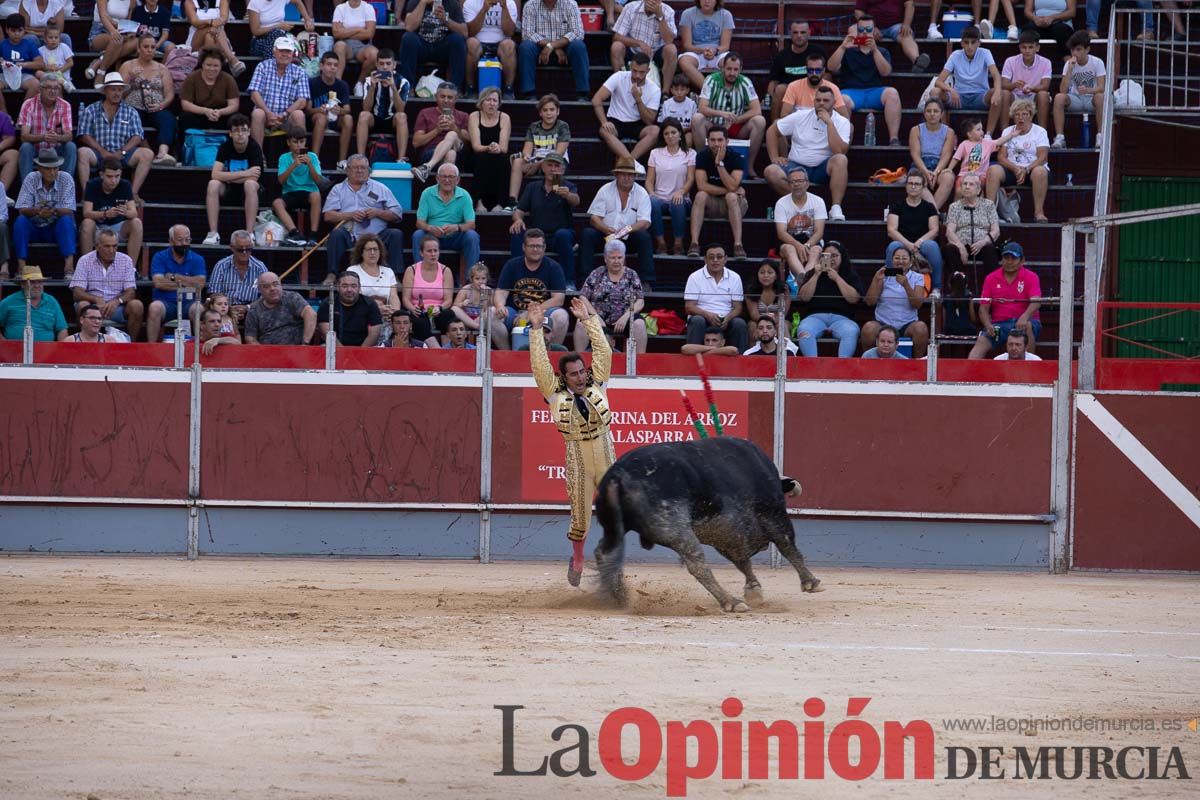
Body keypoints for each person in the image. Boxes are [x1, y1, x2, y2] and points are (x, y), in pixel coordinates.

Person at [527, 294, 614, 586]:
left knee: (617, 507)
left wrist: (588, 321)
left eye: (581, 372)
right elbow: (540, 366)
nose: (579, 377)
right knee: (579, 515)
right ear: (563, 377)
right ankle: (578, 558)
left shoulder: (597, 381)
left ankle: (610, 558)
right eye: (573, 374)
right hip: (576, 454)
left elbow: (603, 352)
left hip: (604, 450)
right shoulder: (555, 394)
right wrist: (536, 330)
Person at [764, 86, 851, 220]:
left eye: (826, 100)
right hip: (796, 166)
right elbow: (772, 131)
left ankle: (835, 208)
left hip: (822, 168)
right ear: (814, 101)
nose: (821, 103)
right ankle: (803, 205)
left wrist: (829, 124)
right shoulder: (800, 116)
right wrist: (774, 157)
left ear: (834, 103)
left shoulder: (842, 122)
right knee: (771, 171)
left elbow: (839, 151)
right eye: (818, 100)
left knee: (841, 159)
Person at [322, 154, 404, 280]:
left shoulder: (380, 188)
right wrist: (350, 215)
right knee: (336, 234)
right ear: (347, 170)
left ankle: (395, 277)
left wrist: (378, 212)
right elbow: (328, 215)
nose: (359, 171)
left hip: (377, 236)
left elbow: (398, 213)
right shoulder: (338, 189)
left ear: (368, 170)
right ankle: (332, 274)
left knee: (395, 234)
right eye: (355, 167)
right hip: (349, 236)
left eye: (363, 168)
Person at [827, 15, 903, 146]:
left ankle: (894, 139)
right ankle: (843, 139)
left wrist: (874, 50)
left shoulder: (882, 51)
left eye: (868, 29)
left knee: (892, 93)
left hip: (874, 92)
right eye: (861, 29)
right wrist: (843, 47)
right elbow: (831, 67)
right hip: (851, 93)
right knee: (842, 99)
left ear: (874, 31)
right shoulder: (847, 50)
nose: (864, 32)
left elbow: (885, 72)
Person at [579, 156, 654, 288]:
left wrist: (627, 230)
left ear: (635, 176)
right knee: (587, 234)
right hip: (606, 236)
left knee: (644, 237)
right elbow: (594, 218)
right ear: (616, 175)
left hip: (629, 237)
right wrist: (605, 228)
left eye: (630, 175)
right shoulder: (605, 189)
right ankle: (586, 278)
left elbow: (645, 222)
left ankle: (645, 280)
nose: (627, 177)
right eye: (623, 174)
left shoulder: (642, 193)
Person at [76, 73, 153, 198]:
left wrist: (121, 152)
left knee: (147, 154)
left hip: (123, 155)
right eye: (113, 89)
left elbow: (137, 136)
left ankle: (132, 194)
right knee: (83, 152)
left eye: (120, 89)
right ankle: (87, 194)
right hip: (98, 154)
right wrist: (102, 152)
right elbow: (83, 134)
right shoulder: (91, 109)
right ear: (105, 91)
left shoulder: (130, 111)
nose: (117, 93)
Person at [491, 227, 568, 349]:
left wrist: (530, 313)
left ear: (544, 248)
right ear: (524, 247)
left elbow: (558, 299)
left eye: (538, 246)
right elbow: (501, 292)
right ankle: (507, 354)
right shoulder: (512, 265)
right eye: (531, 246)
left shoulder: (554, 267)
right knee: (491, 313)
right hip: (514, 313)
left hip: (543, 313)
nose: (535, 249)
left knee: (561, 316)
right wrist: (500, 306)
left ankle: (552, 355)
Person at [691, 53, 765, 178]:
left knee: (760, 121)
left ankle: (748, 166)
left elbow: (757, 109)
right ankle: (702, 162)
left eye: (736, 69)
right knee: (697, 118)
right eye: (729, 69)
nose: (732, 73)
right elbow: (702, 108)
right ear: (722, 68)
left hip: (736, 127)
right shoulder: (711, 80)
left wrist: (735, 120)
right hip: (713, 126)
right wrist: (722, 114)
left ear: (740, 70)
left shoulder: (745, 82)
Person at [509, 152, 578, 279]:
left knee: (563, 235)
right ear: (543, 168)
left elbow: (576, 201)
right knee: (517, 231)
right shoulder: (533, 187)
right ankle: (517, 277)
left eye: (556, 166)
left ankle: (568, 281)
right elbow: (519, 211)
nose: (553, 169)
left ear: (562, 169)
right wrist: (518, 219)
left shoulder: (568, 186)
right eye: (549, 165)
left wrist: (567, 195)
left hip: (559, 235)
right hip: (537, 235)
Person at [969, 241, 1042, 359]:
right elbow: (983, 308)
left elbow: (1036, 302)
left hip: (1024, 322)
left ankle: (1028, 372)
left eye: (1013, 258)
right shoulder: (991, 278)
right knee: (982, 340)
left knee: (1027, 326)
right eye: (1006, 258)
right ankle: (969, 376)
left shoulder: (1031, 277)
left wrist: (1024, 317)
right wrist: (987, 325)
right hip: (1000, 324)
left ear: (1022, 261)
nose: (1009, 262)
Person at [577, 238, 647, 354]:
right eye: (612, 258)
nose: (616, 261)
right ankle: (580, 361)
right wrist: (596, 317)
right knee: (581, 323)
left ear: (624, 258)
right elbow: (583, 297)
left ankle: (639, 365)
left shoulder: (631, 274)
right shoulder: (597, 273)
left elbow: (640, 301)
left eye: (619, 258)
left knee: (639, 324)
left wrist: (625, 317)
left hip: (624, 319)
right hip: (599, 318)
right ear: (605, 259)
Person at [70, 228, 143, 339]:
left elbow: (131, 292)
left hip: (116, 308)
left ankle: (130, 346)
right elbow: (77, 292)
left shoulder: (126, 260)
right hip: (92, 306)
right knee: (82, 305)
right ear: (97, 246)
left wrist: (117, 301)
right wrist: (95, 299)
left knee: (137, 306)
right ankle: (84, 344)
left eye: (114, 246)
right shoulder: (85, 260)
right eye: (107, 246)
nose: (111, 250)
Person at [795, 241, 863, 358]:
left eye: (835, 256)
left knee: (851, 331)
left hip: (842, 318)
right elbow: (804, 297)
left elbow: (854, 299)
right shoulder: (813, 273)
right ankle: (812, 366)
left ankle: (842, 368)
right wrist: (816, 275)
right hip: (815, 317)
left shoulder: (849, 274)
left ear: (842, 257)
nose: (831, 259)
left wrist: (837, 278)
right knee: (804, 329)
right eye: (826, 256)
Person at [204, 115, 264, 246]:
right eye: (236, 130)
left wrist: (229, 177)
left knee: (250, 184)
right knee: (213, 184)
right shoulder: (225, 147)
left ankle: (249, 233)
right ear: (230, 133)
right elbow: (215, 174)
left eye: (244, 130)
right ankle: (213, 234)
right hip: (229, 189)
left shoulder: (254, 147)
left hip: (249, 192)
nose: (240, 134)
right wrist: (244, 173)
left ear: (249, 132)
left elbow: (254, 176)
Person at [117, 33, 176, 166]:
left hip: (156, 107)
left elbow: (170, 94)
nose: (150, 50)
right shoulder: (128, 66)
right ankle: (147, 150)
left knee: (168, 118)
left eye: (153, 47)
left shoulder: (162, 68)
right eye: (146, 47)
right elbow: (118, 93)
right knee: (133, 118)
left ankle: (162, 153)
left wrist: (161, 105)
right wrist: (131, 79)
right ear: (138, 48)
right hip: (133, 107)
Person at [593, 50, 661, 166]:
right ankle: (631, 163)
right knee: (604, 130)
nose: (637, 76)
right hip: (616, 120)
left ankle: (627, 163)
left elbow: (649, 120)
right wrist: (604, 122)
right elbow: (596, 100)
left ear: (648, 71)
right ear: (630, 67)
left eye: (641, 72)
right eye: (634, 71)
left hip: (637, 123)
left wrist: (638, 99)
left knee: (655, 131)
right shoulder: (619, 76)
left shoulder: (654, 89)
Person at [13, 147, 74, 275]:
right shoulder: (31, 178)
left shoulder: (66, 178)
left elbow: (69, 210)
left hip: (55, 228)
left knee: (66, 221)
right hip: (34, 227)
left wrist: (53, 211)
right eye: (48, 168)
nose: (52, 172)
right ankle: (22, 267)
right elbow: (22, 209)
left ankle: (69, 267)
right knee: (20, 221)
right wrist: (37, 211)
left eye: (55, 168)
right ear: (39, 168)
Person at [689, 126, 747, 259]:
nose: (716, 144)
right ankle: (694, 243)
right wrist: (730, 190)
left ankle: (738, 244)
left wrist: (719, 164)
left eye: (720, 140)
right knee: (700, 195)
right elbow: (702, 185)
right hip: (712, 203)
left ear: (727, 141)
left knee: (731, 197)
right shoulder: (702, 156)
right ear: (708, 141)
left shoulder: (736, 157)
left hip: (734, 205)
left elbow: (733, 185)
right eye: (712, 140)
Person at [412, 163, 481, 275]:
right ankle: (420, 275)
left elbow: (471, 224)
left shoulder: (464, 195)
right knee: (418, 235)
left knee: (472, 236)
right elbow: (419, 223)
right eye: (443, 176)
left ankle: (472, 278)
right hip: (433, 236)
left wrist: (457, 227)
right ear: (437, 178)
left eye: (451, 177)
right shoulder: (427, 193)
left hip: (456, 237)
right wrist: (430, 228)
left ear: (457, 180)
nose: (447, 180)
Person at [933, 26, 1002, 136]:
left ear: (979, 43)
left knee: (999, 93)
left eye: (973, 42)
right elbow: (939, 81)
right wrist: (951, 90)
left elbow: (996, 75)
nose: (969, 46)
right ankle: (945, 134)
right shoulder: (955, 55)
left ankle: (988, 135)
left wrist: (997, 92)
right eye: (966, 42)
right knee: (935, 92)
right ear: (962, 43)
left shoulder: (985, 53)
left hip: (980, 97)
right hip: (959, 98)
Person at [505, 93, 569, 209]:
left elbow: (558, 153)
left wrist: (540, 164)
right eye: (545, 110)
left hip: (556, 162)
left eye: (552, 109)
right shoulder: (533, 127)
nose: (549, 113)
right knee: (518, 162)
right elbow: (527, 150)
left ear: (557, 111)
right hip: (536, 162)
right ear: (540, 113)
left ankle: (555, 200)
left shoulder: (562, 126)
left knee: (554, 167)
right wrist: (526, 157)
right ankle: (512, 201)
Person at [861, 247, 928, 358]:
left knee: (921, 328)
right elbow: (870, 301)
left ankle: (917, 364)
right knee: (868, 328)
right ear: (892, 261)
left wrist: (906, 285)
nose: (900, 261)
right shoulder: (883, 275)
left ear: (910, 262)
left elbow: (917, 304)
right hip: (883, 323)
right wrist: (876, 279)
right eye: (897, 258)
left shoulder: (918, 277)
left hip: (907, 324)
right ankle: (869, 363)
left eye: (904, 258)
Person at [991, 99, 1050, 222]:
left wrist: (1026, 169)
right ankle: (989, 212)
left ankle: (1039, 212)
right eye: (1017, 114)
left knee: (1040, 171)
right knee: (993, 170)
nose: (1020, 117)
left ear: (1031, 116)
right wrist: (1016, 168)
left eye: (1024, 114)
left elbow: (1043, 157)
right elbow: (1001, 157)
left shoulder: (1040, 132)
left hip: (1032, 169)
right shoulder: (1008, 131)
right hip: (1012, 168)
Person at [517, 0, 590, 101]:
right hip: (540, 46)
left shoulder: (570, 3)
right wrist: (550, 46)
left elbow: (577, 32)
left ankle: (583, 93)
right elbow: (528, 34)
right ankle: (528, 93)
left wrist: (552, 46)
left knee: (578, 46)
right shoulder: (530, 5)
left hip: (565, 46)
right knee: (525, 47)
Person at [146, 224, 207, 342]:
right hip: (165, 303)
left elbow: (200, 284)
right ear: (171, 241)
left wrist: (174, 277)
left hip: (189, 303)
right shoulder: (159, 257)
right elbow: (159, 283)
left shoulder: (197, 259)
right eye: (180, 240)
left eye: (187, 239)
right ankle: (151, 347)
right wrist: (188, 282)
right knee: (154, 307)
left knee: (198, 308)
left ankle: (199, 348)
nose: (184, 243)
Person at [683, 242, 747, 352]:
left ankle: (740, 362)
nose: (715, 260)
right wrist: (707, 315)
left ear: (725, 259)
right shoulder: (694, 277)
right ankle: (692, 362)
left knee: (739, 324)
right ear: (705, 259)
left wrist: (728, 318)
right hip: (702, 318)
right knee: (697, 321)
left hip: (726, 320)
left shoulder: (735, 277)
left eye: (719, 257)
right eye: (711, 257)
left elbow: (738, 307)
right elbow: (689, 307)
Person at [248, 36, 309, 147]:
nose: (285, 54)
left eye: (288, 51)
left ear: (293, 53)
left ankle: (300, 157)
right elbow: (254, 93)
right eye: (281, 51)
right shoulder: (263, 67)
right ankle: (257, 159)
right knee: (258, 113)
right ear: (274, 52)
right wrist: (268, 112)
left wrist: (285, 114)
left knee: (299, 115)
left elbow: (302, 100)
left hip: (287, 118)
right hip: (265, 116)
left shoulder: (300, 72)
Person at [645, 118, 695, 255]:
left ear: (680, 134)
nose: (670, 136)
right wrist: (651, 193)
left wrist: (682, 191)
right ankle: (661, 244)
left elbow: (691, 178)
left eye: (673, 132)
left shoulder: (689, 153)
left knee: (677, 201)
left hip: (680, 199)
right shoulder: (655, 153)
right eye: (666, 133)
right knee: (652, 201)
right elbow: (649, 180)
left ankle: (678, 244)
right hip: (660, 198)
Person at [886, 171, 942, 289]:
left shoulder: (929, 207)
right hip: (902, 242)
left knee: (932, 246)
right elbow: (891, 230)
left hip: (923, 243)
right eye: (910, 183)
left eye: (917, 184)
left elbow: (934, 230)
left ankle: (936, 288)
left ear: (922, 187)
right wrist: (908, 244)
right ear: (906, 186)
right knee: (893, 246)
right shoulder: (897, 206)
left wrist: (919, 242)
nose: (913, 186)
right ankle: (890, 284)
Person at [270, 125, 324, 247]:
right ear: (289, 142)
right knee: (277, 203)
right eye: (295, 142)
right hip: (290, 192)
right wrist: (293, 165)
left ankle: (313, 234)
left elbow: (318, 181)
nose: (299, 145)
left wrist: (309, 164)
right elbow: (281, 180)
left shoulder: (313, 157)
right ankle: (295, 233)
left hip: (309, 192)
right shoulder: (284, 158)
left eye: (302, 142)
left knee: (316, 195)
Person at [80, 156, 141, 263]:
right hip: (98, 227)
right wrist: (105, 214)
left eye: (117, 176)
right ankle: (87, 267)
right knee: (87, 223)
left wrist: (125, 212)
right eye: (109, 176)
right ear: (101, 175)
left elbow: (134, 213)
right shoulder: (92, 185)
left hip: (117, 227)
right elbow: (86, 213)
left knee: (136, 223)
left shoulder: (125, 185)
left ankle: (131, 269)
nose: (114, 180)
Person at [398, 0, 468, 92]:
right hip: (421, 46)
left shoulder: (452, 3)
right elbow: (409, 27)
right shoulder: (415, 1)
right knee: (408, 38)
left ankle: (454, 89)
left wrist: (446, 19)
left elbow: (464, 32)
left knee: (457, 40)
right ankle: (407, 88)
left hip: (442, 46)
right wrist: (423, 3)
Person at [355, 48, 410, 165]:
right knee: (363, 115)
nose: (385, 67)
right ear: (376, 65)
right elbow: (366, 108)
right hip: (375, 118)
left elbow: (401, 109)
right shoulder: (369, 81)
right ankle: (361, 157)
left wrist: (393, 88)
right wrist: (373, 87)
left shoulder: (403, 82)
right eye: (381, 64)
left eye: (388, 64)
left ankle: (401, 159)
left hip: (392, 119)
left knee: (402, 116)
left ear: (394, 65)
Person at [1052, 30, 1105, 149]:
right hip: (1075, 99)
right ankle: (1060, 137)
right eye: (1073, 50)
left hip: (1091, 99)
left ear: (1087, 50)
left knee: (1100, 97)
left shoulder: (1097, 62)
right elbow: (1062, 90)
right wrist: (1070, 70)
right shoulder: (1069, 64)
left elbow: (1102, 87)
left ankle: (1100, 135)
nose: (1075, 53)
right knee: (1058, 98)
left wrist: (1088, 90)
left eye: (1079, 49)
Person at [610, 0, 679, 91]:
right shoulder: (630, 8)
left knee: (671, 49)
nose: (653, 1)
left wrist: (660, 17)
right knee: (616, 46)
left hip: (656, 52)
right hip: (633, 50)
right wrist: (639, 43)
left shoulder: (668, 11)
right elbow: (617, 37)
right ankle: (620, 87)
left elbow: (669, 40)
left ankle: (665, 92)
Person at [943, 173, 1000, 281]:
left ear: (978, 190)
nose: (967, 186)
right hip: (961, 246)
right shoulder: (955, 206)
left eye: (971, 184)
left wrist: (983, 242)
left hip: (982, 245)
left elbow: (995, 230)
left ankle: (992, 287)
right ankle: (959, 285)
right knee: (949, 249)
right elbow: (949, 231)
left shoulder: (988, 205)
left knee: (990, 249)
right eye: (964, 184)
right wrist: (960, 247)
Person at [17, 73, 73, 183]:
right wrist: (43, 137)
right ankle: (28, 188)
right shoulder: (28, 104)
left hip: (56, 149)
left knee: (71, 147)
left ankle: (66, 187)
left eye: (56, 88)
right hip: (36, 149)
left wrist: (57, 138)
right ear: (40, 89)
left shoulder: (65, 105)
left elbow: (69, 135)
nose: (53, 91)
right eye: (48, 88)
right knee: (25, 147)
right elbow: (24, 136)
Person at [402, 236, 457, 342]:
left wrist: (440, 308)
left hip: (438, 310)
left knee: (448, 315)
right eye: (429, 251)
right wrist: (412, 308)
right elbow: (405, 299)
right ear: (421, 253)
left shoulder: (445, 270)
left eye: (435, 251)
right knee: (418, 321)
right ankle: (434, 348)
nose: (433, 254)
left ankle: (447, 347)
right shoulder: (411, 270)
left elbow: (448, 300)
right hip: (419, 309)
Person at [410, 82, 468, 182]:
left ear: (455, 99)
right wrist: (437, 130)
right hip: (430, 152)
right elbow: (416, 142)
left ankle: (427, 167)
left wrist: (454, 127)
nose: (446, 100)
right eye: (442, 96)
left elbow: (467, 141)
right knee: (450, 154)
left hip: (459, 151)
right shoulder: (425, 113)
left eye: (450, 97)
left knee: (452, 134)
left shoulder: (463, 116)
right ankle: (450, 193)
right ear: (436, 97)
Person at [767, 18, 825, 119]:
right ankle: (776, 128)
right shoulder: (781, 56)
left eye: (802, 32)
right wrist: (771, 96)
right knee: (780, 89)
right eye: (795, 32)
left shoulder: (818, 52)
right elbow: (773, 82)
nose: (799, 36)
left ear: (809, 33)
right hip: (789, 95)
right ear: (791, 34)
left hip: (812, 90)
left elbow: (827, 76)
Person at [773, 167, 826, 277]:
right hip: (790, 241)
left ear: (807, 184)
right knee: (789, 249)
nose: (796, 184)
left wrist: (806, 246)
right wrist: (798, 245)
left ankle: (804, 279)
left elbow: (819, 232)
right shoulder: (781, 203)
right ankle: (803, 278)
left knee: (815, 251)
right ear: (789, 185)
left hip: (811, 240)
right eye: (792, 181)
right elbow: (781, 233)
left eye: (800, 181)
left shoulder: (818, 201)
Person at [207, 230, 268, 323]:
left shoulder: (260, 267)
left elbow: (265, 295)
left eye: (248, 249)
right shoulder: (221, 265)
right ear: (232, 248)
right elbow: (214, 293)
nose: (244, 252)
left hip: (252, 309)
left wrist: (248, 307)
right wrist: (228, 308)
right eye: (240, 249)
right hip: (224, 309)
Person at [467, 87, 512, 212]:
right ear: (481, 102)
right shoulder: (474, 116)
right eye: (488, 100)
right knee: (481, 158)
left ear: (499, 103)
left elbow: (504, 148)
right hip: (479, 153)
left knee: (504, 159)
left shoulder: (504, 117)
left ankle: (500, 203)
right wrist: (489, 147)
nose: (492, 103)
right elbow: (476, 146)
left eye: (495, 100)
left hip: (498, 154)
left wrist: (497, 148)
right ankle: (479, 202)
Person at [851, 0, 929, 71]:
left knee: (906, 34)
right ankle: (852, 64)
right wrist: (871, 27)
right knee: (853, 31)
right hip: (871, 26)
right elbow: (858, 11)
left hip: (895, 26)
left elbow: (910, 4)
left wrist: (906, 24)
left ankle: (917, 61)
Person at [463, 0, 519, 99]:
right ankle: (470, 88)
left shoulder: (509, 3)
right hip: (478, 41)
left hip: (501, 42)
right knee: (471, 43)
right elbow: (471, 32)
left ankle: (508, 89)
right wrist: (484, 9)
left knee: (509, 45)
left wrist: (504, 8)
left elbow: (509, 33)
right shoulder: (470, 2)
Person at [908, 98, 956, 210]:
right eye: (929, 111)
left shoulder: (949, 132)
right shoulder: (916, 130)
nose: (932, 114)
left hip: (939, 165)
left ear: (942, 114)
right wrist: (925, 171)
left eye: (936, 111)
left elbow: (946, 155)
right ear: (924, 113)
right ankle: (934, 213)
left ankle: (931, 212)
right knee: (918, 180)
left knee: (948, 178)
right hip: (921, 164)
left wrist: (935, 172)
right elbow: (915, 154)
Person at [244, 270, 316, 345]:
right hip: (268, 352)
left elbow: (311, 314)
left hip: (296, 350)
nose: (272, 288)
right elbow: (250, 338)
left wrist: (305, 343)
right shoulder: (254, 309)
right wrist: (263, 353)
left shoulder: (292, 298)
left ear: (281, 284)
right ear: (259, 290)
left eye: (275, 284)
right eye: (266, 286)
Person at [308, 51, 353, 169]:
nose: (332, 68)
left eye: (335, 65)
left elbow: (348, 110)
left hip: (335, 119)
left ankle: (342, 161)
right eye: (329, 64)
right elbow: (307, 110)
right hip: (318, 119)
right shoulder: (312, 83)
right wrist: (319, 109)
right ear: (321, 66)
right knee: (321, 118)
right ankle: (314, 159)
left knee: (348, 118)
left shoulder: (342, 85)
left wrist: (340, 110)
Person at [178, 48, 241, 132]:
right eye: (208, 65)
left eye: (215, 66)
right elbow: (185, 104)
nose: (211, 69)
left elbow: (234, 105)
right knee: (185, 117)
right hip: (199, 114)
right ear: (202, 64)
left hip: (220, 115)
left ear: (221, 66)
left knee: (236, 118)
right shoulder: (192, 78)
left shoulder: (228, 79)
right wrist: (205, 111)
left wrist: (220, 112)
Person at [1001, 29, 1051, 131]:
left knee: (1043, 94)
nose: (1027, 51)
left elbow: (1045, 86)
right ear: (1019, 48)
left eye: (1031, 47)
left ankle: (1042, 133)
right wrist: (1014, 85)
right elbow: (1004, 84)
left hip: (1034, 96)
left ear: (1037, 48)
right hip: (1015, 96)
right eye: (1024, 47)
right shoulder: (1010, 61)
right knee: (1004, 93)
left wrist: (1032, 88)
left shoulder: (1046, 62)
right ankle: (1004, 132)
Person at [677, 0, 734, 90]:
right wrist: (702, 51)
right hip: (696, 52)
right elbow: (687, 45)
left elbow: (725, 46)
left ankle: (724, 92)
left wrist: (714, 51)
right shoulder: (687, 14)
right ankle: (709, 91)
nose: (707, 1)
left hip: (718, 53)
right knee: (684, 61)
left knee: (731, 62)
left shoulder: (726, 15)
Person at [0, 264, 66, 340]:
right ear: (22, 284)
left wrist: (60, 349)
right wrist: (4, 344)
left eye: (40, 282)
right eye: (32, 282)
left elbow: (62, 329)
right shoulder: (9, 301)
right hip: (14, 350)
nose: (37, 285)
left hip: (46, 351)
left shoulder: (51, 301)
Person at [318, 270, 383, 347]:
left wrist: (358, 353)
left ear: (359, 288)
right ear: (338, 287)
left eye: (353, 286)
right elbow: (325, 332)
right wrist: (344, 353)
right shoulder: (328, 304)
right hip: (334, 348)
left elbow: (374, 333)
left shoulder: (369, 304)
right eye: (345, 286)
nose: (349, 290)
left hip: (363, 349)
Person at [778, 51, 850, 119]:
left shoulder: (833, 88)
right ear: (806, 70)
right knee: (777, 123)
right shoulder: (793, 86)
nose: (814, 73)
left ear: (823, 71)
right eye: (811, 70)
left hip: (824, 127)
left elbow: (844, 117)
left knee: (850, 127)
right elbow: (784, 115)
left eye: (818, 70)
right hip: (799, 128)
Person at [182, 0, 244, 76]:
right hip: (196, 40)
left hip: (218, 39)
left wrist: (215, 24)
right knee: (212, 29)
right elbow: (195, 22)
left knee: (209, 37)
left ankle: (210, 72)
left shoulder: (222, 1)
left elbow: (224, 18)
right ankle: (232, 60)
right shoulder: (189, 2)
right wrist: (210, 22)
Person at [348, 233, 401, 321]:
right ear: (361, 252)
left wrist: (395, 313)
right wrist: (375, 309)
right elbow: (355, 298)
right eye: (369, 249)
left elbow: (393, 297)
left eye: (375, 249)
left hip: (386, 315)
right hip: (362, 316)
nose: (372, 253)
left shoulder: (388, 271)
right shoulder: (353, 270)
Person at [86, 0, 137, 86]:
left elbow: (126, 22)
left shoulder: (132, 1)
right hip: (100, 31)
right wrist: (113, 31)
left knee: (136, 41)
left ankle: (99, 61)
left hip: (119, 33)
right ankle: (101, 74)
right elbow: (103, 15)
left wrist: (130, 30)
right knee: (117, 39)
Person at [247, 0, 313, 59]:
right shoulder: (255, 2)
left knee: (292, 45)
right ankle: (273, 67)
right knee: (276, 35)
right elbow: (255, 31)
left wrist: (307, 19)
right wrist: (277, 26)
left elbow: (297, 1)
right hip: (260, 41)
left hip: (280, 38)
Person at [331, 0, 378, 80]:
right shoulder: (340, 8)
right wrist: (358, 29)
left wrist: (345, 31)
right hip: (346, 45)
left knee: (374, 54)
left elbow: (369, 34)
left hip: (363, 45)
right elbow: (336, 33)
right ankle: (337, 82)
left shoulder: (368, 8)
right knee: (339, 46)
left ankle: (360, 84)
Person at [1, 13, 42, 98]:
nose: (17, 33)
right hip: (5, 75)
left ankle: (24, 111)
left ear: (24, 30)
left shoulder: (30, 44)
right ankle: (3, 111)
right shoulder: (2, 45)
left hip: (24, 75)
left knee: (35, 84)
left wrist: (25, 65)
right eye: (13, 30)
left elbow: (40, 63)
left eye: (20, 30)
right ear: (7, 30)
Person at [746, 258, 790, 325]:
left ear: (776, 276)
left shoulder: (783, 290)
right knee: (752, 325)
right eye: (762, 272)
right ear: (757, 275)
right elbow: (754, 315)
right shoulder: (751, 290)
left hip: (777, 321)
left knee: (783, 324)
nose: (766, 276)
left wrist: (771, 322)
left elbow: (782, 314)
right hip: (758, 321)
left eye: (770, 272)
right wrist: (767, 321)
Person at [658, 74, 698, 144]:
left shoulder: (692, 104)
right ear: (671, 90)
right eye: (676, 89)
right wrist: (674, 132)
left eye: (682, 89)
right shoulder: (666, 104)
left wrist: (683, 130)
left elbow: (694, 124)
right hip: (670, 132)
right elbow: (664, 123)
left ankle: (686, 154)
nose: (679, 93)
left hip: (686, 131)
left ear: (687, 90)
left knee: (689, 138)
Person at [451, 261, 490, 333]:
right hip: (466, 319)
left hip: (480, 319)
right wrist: (462, 304)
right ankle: (476, 326)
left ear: (487, 279)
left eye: (483, 278)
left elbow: (485, 309)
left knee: (491, 310)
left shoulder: (488, 291)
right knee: (454, 309)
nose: (481, 281)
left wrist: (484, 294)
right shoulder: (466, 289)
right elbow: (455, 305)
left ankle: (475, 325)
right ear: (472, 279)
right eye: (477, 279)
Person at [33, 23, 71, 92]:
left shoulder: (64, 47)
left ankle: (64, 82)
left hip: (61, 73)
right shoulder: (41, 50)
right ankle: (62, 82)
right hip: (48, 75)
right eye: (50, 37)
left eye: (56, 37)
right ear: (45, 39)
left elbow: (70, 63)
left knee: (56, 85)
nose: (53, 40)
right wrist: (47, 67)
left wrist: (59, 71)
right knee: (38, 73)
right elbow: (39, 65)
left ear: (59, 38)